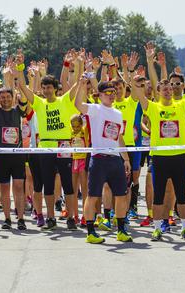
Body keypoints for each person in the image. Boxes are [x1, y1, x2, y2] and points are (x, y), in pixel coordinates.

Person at [131, 68, 185, 242]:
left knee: (182, 196)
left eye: (170, 88)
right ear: (158, 92)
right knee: (158, 196)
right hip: (160, 159)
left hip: (179, 157)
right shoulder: (153, 107)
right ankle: (156, 229)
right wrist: (134, 82)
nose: (168, 91)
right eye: (164, 89)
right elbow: (139, 95)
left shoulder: (182, 105)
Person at [19, 61, 80, 230]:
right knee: (48, 185)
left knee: (68, 184)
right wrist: (19, 70)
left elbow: (77, 84)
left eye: (49, 87)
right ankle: (50, 218)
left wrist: (79, 64)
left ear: (55, 88)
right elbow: (24, 88)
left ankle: (71, 218)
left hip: (63, 146)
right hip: (45, 147)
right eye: (43, 88)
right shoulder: (39, 103)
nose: (46, 91)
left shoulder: (65, 101)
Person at [75, 78, 133, 244]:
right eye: (108, 93)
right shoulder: (95, 109)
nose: (112, 95)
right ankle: (90, 232)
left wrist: (126, 158)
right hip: (99, 159)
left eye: (113, 92)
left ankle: (121, 230)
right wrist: (80, 86)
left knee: (121, 195)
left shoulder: (118, 113)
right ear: (100, 95)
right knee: (93, 196)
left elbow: (119, 137)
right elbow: (78, 105)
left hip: (115, 159)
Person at [0, 60, 30, 230]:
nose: (5, 99)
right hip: (1, 155)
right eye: (2, 97)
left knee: (18, 186)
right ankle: (7, 219)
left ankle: (20, 218)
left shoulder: (17, 110)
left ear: (12, 98)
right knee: (4, 188)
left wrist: (15, 74)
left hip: (18, 155)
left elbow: (24, 97)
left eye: (8, 97)